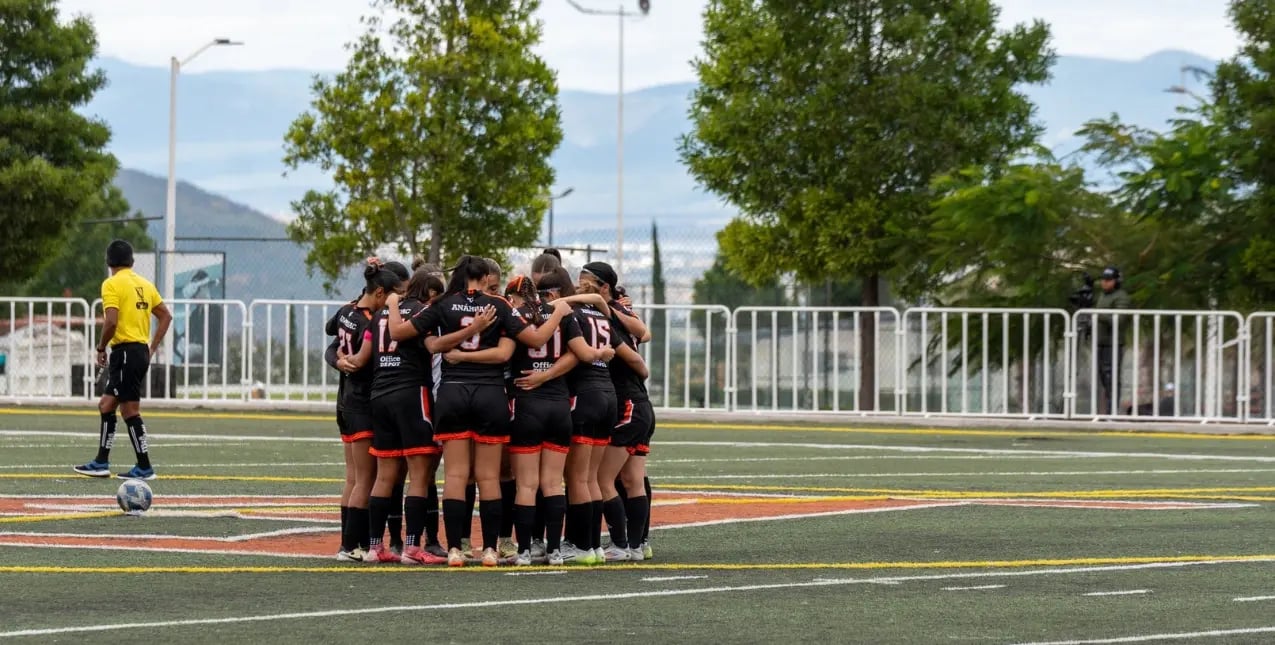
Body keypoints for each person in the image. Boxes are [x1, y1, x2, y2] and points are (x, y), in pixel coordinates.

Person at [394, 255, 569, 567]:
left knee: (456, 475)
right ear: (486, 276)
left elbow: (415, 339)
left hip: (452, 392)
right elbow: (526, 343)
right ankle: (489, 549)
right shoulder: (499, 304)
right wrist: (559, 313)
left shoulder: (444, 303)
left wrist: (457, 348)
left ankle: (454, 550)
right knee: (489, 477)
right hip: (490, 394)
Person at [502, 275, 612, 565]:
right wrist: (601, 353)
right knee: (553, 483)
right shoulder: (561, 312)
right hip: (559, 405)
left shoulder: (514, 313)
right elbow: (580, 355)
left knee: (526, 485)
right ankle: (554, 551)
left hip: (526, 402)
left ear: (515, 295)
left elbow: (508, 352)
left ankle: (525, 551)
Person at [74, 240, 173, 480]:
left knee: (129, 411)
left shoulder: (111, 284)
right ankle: (101, 462)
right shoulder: (145, 284)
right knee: (107, 405)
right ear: (132, 261)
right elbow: (166, 316)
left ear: (109, 262)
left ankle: (144, 466)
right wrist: (151, 347)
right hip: (137, 351)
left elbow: (111, 321)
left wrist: (100, 347)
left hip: (125, 352)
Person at [329, 260, 403, 562]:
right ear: (381, 292)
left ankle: (349, 543)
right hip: (362, 402)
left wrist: (337, 359)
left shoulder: (348, 311)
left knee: (353, 477)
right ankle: (351, 545)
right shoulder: (370, 321)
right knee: (365, 479)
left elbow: (330, 330)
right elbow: (364, 359)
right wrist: (349, 361)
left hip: (345, 402)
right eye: (395, 295)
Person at [1094, 266, 1131, 415]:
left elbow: (1119, 319)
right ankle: (1107, 410)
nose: (1105, 282)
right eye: (1103, 279)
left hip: (1113, 342)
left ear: (1116, 281)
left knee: (1111, 377)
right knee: (1103, 376)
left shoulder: (1121, 297)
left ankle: (1112, 411)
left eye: (1108, 280)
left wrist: (1098, 315)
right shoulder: (1102, 296)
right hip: (1101, 341)